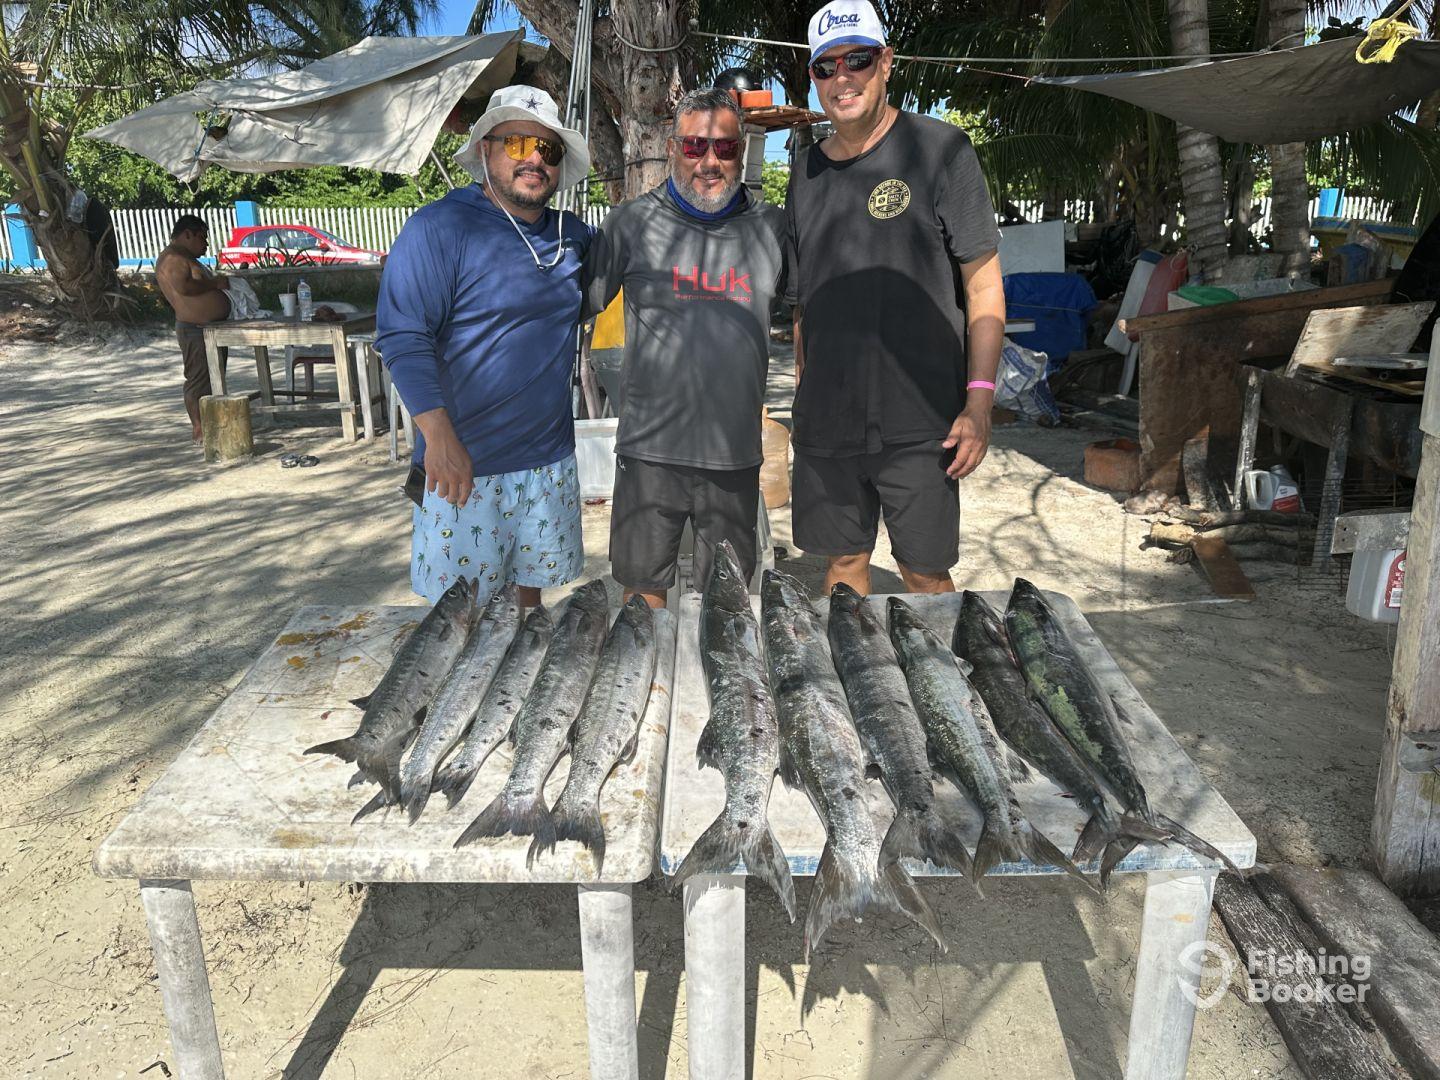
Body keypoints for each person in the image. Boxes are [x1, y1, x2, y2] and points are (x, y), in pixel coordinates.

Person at [786, 0, 1007, 596]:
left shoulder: (941, 151)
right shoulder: (804, 174)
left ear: (886, 63)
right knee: (841, 567)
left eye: (856, 59)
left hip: (921, 419)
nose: (842, 78)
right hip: (828, 420)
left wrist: (979, 402)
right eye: (825, 67)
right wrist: (805, 390)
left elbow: (983, 285)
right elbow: (808, 301)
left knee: (926, 574)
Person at [377, 85, 594, 607]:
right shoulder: (439, 228)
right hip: (465, 464)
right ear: (484, 150)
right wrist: (439, 439)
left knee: (528, 610)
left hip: (548, 461)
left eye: (549, 149)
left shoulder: (574, 237)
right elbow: (403, 336)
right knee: (462, 619)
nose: (535, 158)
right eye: (518, 143)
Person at [582, 87, 786, 606]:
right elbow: (565, 309)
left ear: (742, 149)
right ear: (673, 148)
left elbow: (812, 317)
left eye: (724, 147)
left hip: (734, 455)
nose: (710, 162)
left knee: (729, 602)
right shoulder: (630, 223)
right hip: (650, 454)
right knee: (643, 596)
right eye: (695, 147)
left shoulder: (773, 228)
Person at [155, 215, 230, 442]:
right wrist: (215, 283)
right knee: (198, 379)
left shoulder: (184, 257)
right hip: (194, 329)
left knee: (214, 378)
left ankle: (212, 424)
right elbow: (184, 286)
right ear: (187, 233)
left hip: (209, 327)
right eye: (202, 237)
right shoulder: (173, 258)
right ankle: (199, 429)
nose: (206, 244)